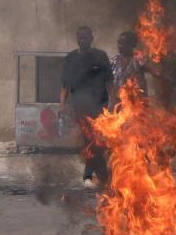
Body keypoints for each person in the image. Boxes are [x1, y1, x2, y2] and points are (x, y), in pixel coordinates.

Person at [62, 26, 113, 189]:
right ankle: (94, 175)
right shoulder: (70, 58)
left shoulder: (101, 56)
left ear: (91, 38)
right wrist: (62, 105)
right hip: (80, 108)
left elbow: (110, 83)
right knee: (90, 141)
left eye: (85, 37)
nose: (82, 40)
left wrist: (114, 103)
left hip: (100, 107)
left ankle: (94, 175)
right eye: (79, 37)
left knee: (97, 142)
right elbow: (65, 85)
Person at [109, 30, 148, 107]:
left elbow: (152, 70)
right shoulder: (114, 61)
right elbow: (107, 81)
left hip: (136, 104)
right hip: (117, 104)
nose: (119, 46)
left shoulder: (138, 59)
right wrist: (113, 96)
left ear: (131, 45)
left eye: (123, 43)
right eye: (118, 43)